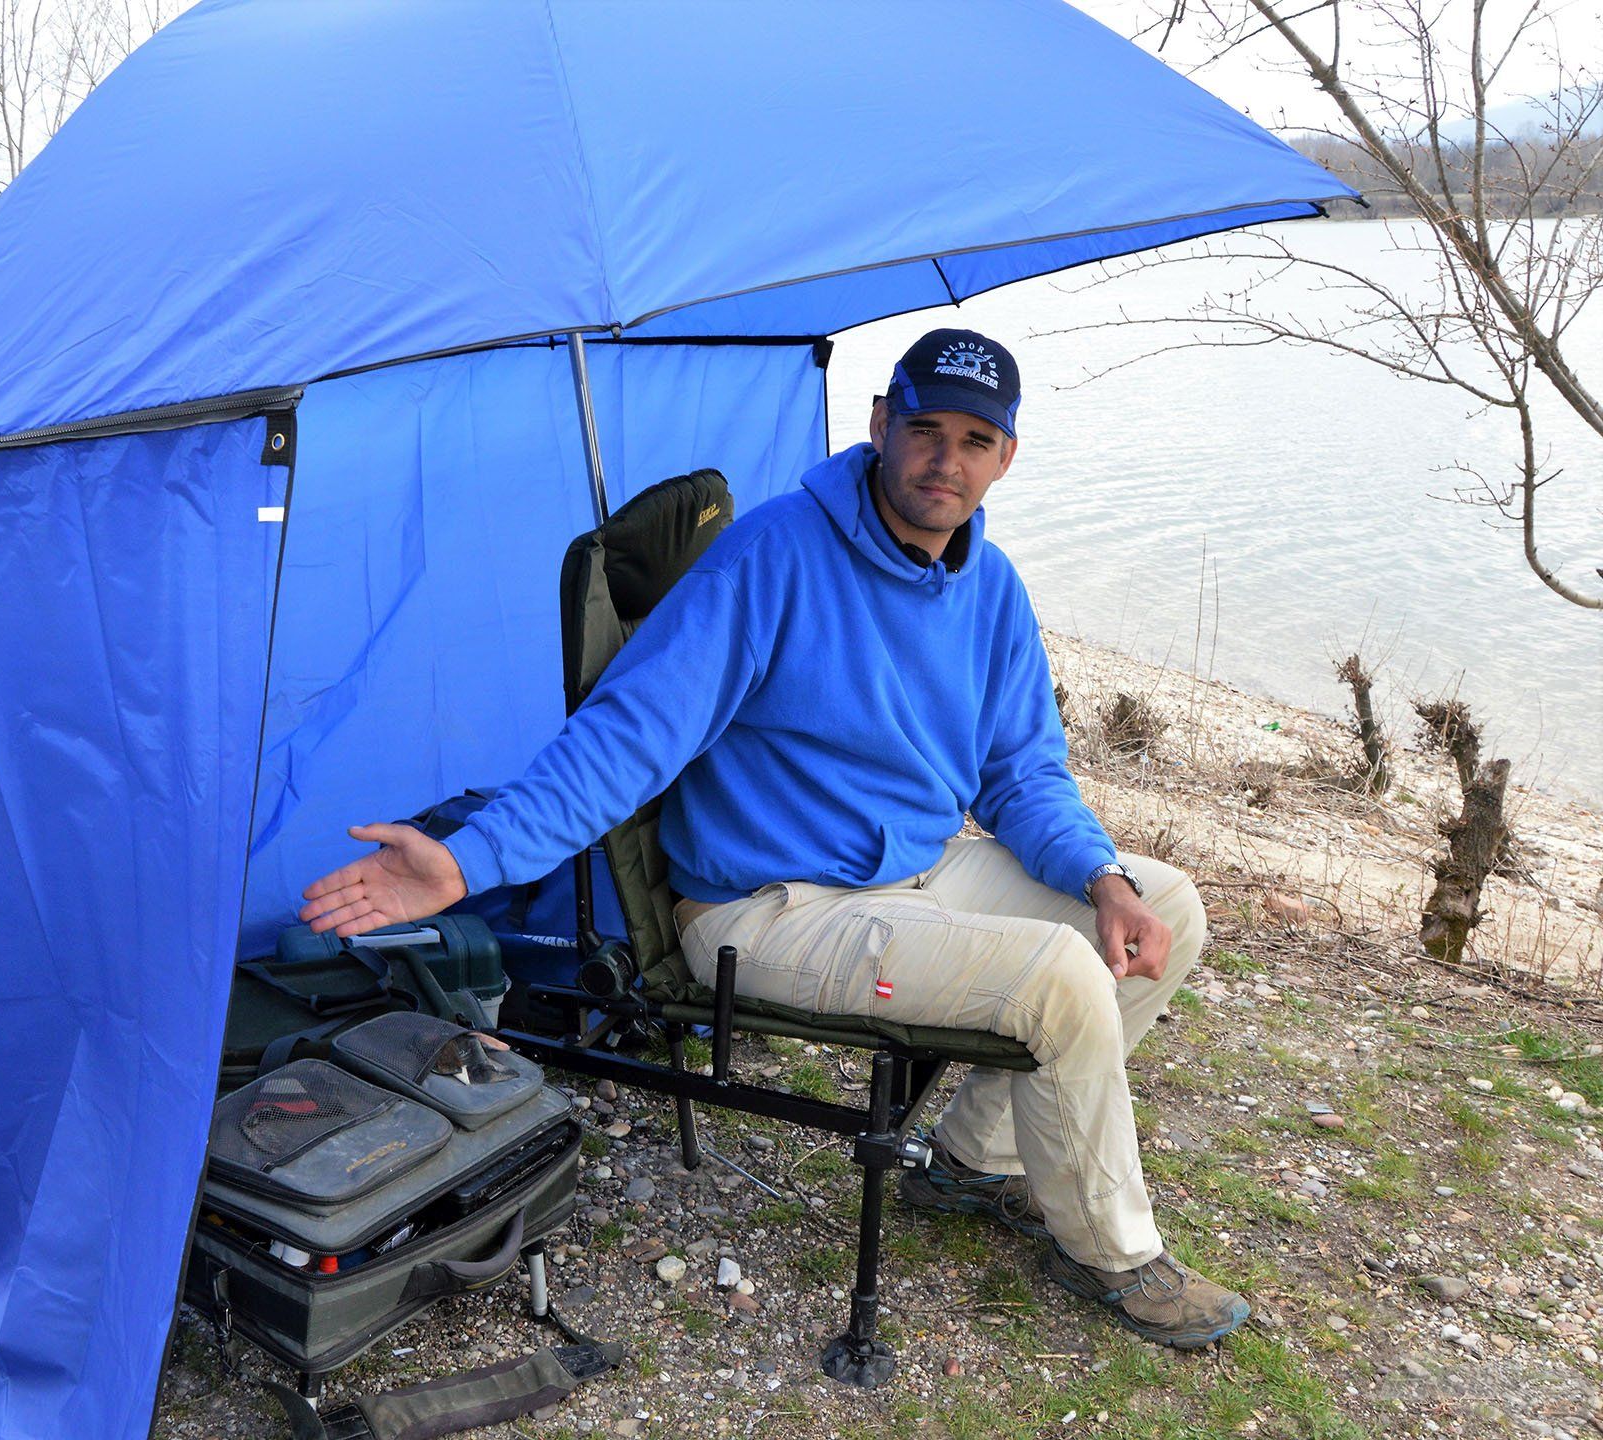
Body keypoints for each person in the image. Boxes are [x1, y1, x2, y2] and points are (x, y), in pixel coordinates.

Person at [299, 327, 1250, 1350]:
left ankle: (980, 1162)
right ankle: (1114, 1251)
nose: (946, 459)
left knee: (1164, 906)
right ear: (880, 424)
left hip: (920, 872)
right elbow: (627, 737)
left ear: (1004, 457)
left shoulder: (993, 591)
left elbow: (1022, 776)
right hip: (773, 910)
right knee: (1063, 974)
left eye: (976, 440)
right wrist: (467, 859)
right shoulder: (773, 555)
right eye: (925, 429)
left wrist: (1102, 876)